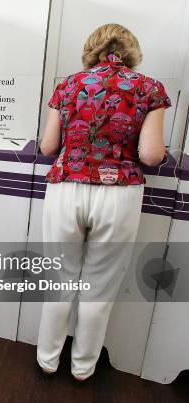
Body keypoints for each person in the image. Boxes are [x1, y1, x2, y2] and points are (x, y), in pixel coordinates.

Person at [37, 24, 170, 380]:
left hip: (66, 187)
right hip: (119, 194)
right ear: (131, 51)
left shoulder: (67, 84)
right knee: (100, 288)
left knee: (59, 282)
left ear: (92, 49)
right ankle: (82, 368)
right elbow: (152, 154)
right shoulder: (149, 88)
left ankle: (48, 361)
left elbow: (48, 147)